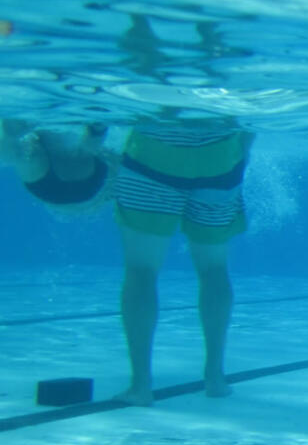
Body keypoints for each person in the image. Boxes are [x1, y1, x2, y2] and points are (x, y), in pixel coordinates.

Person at [114, 118, 253, 405]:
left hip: (153, 151)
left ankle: (140, 386)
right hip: (220, 156)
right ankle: (215, 377)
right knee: (214, 268)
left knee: (142, 269)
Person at [2, 119, 114, 211]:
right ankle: (97, 130)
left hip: (85, 185)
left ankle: (97, 131)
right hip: (50, 186)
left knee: (25, 154)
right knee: (24, 153)